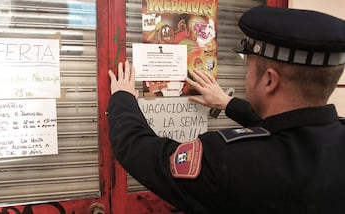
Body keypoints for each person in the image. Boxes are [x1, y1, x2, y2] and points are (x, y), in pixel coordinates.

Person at [107, 5, 345, 214]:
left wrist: (122, 96)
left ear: (269, 80)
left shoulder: (228, 162)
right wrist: (227, 103)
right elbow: (290, 127)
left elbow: (137, 148)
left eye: (247, 63)